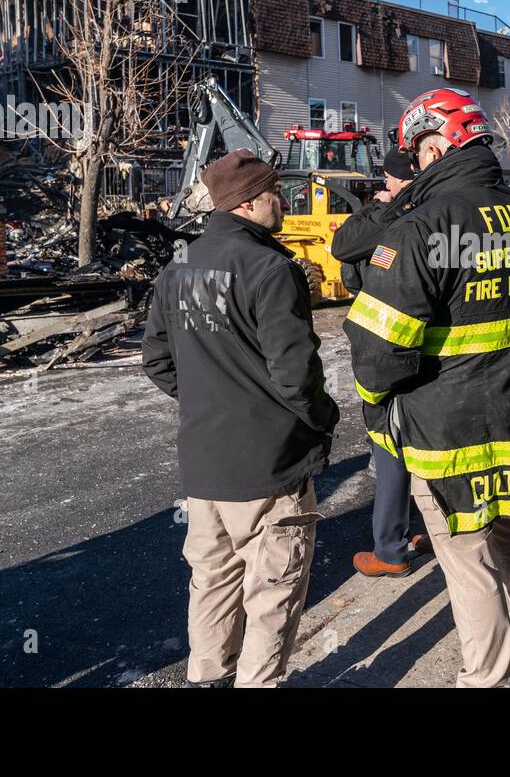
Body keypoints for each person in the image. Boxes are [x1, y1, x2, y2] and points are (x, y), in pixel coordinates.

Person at [345, 87, 510, 686]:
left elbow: (377, 354)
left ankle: (487, 677)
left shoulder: (418, 229)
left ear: (435, 146)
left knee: (467, 558)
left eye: (416, 152)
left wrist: (380, 411)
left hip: (445, 431)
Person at [142, 149, 339, 688]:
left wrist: (211, 400)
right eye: (275, 193)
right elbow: (297, 375)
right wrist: (322, 422)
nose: (283, 201)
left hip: (205, 463)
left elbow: (156, 360)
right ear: (250, 203)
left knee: (212, 579)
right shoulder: (270, 269)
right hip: (268, 466)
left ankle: (207, 679)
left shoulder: (178, 266)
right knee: (272, 591)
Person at [330, 148, 433, 577]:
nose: (386, 188)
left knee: (390, 447)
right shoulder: (442, 207)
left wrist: (386, 206)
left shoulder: (398, 215)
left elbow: (345, 248)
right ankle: (436, 529)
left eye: (391, 182)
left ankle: (390, 549)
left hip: (390, 351)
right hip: (435, 351)